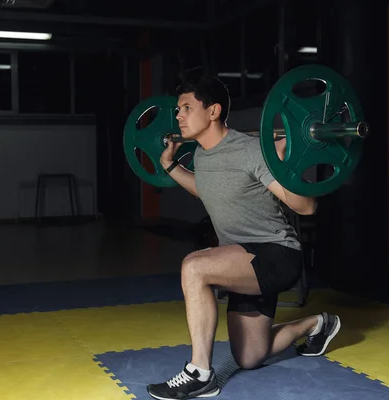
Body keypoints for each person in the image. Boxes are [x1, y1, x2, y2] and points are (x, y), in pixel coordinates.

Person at [146, 70, 342, 400]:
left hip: (276, 255)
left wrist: (285, 168)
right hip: (242, 260)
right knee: (249, 357)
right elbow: (206, 190)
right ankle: (317, 324)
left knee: (194, 268)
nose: (177, 115)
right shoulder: (201, 155)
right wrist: (168, 165)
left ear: (213, 111)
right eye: (178, 109)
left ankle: (200, 374)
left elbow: (306, 208)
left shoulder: (251, 150)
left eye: (186, 108)